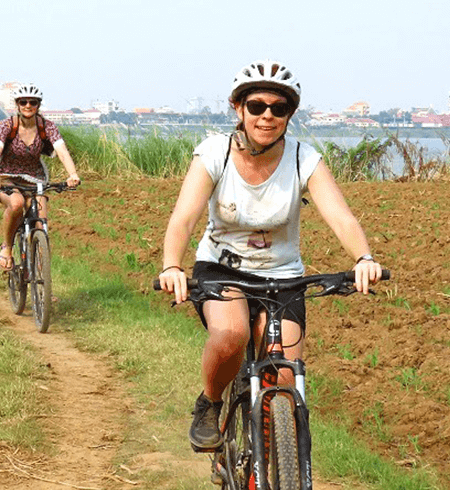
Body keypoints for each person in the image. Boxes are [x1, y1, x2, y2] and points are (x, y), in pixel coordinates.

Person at [156, 60, 384, 451]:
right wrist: (172, 266)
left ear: (289, 115)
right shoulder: (214, 153)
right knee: (232, 335)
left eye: (279, 109)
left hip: (283, 275)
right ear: (238, 108)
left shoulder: (302, 158)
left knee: (283, 377)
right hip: (222, 268)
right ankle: (210, 402)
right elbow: (184, 217)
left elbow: (341, 217)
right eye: (257, 106)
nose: (267, 116)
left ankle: (275, 462)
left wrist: (363, 258)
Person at [0, 83, 80, 271]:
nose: (28, 106)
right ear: (17, 104)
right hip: (7, 178)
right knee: (17, 204)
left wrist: (73, 174)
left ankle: (42, 283)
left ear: (38, 105)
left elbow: (62, 151)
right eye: (23, 102)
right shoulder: (6, 126)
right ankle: (7, 247)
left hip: (35, 179)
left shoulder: (47, 127)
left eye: (33, 102)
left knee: (41, 221)